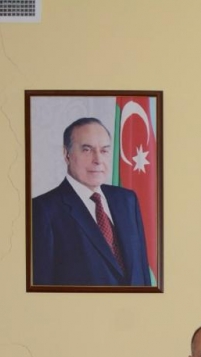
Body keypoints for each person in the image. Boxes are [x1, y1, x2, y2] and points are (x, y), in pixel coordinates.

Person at [32, 117, 151, 287]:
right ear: (67, 154)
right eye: (87, 150)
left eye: (104, 151)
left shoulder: (127, 200)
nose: (98, 160)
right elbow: (42, 287)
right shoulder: (43, 210)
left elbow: (142, 273)